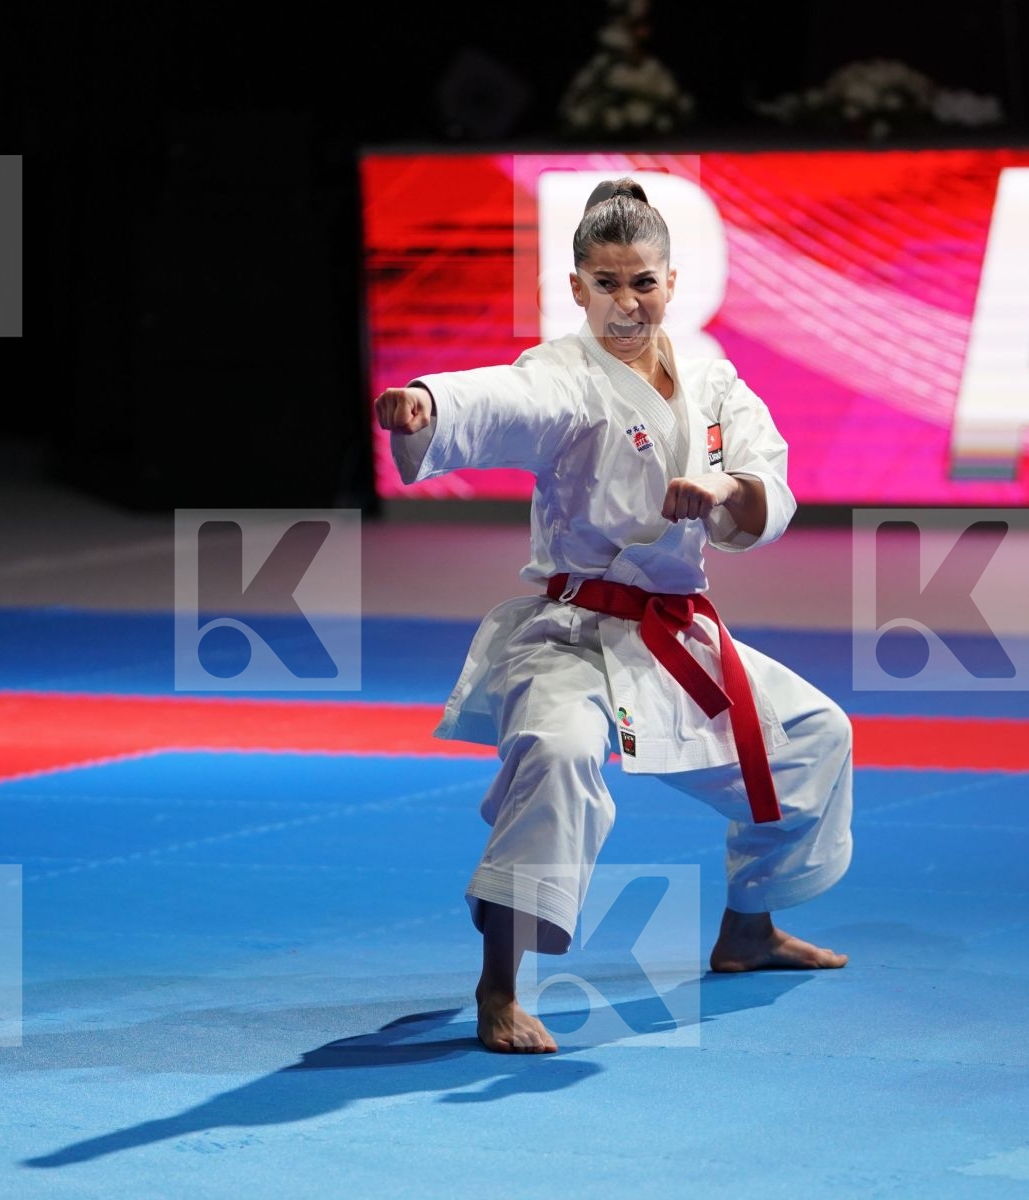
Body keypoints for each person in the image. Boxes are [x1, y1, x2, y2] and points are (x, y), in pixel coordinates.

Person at [374, 177, 854, 1054]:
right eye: (605, 283)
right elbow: (500, 400)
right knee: (557, 755)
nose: (625, 303)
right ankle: (498, 988)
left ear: (672, 283)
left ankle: (749, 930)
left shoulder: (711, 379)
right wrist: (429, 406)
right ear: (576, 287)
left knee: (816, 736)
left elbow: (769, 484)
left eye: (642, 282)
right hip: (571, 634)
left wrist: (724, 489)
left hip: (675, 633)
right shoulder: (562, 375)